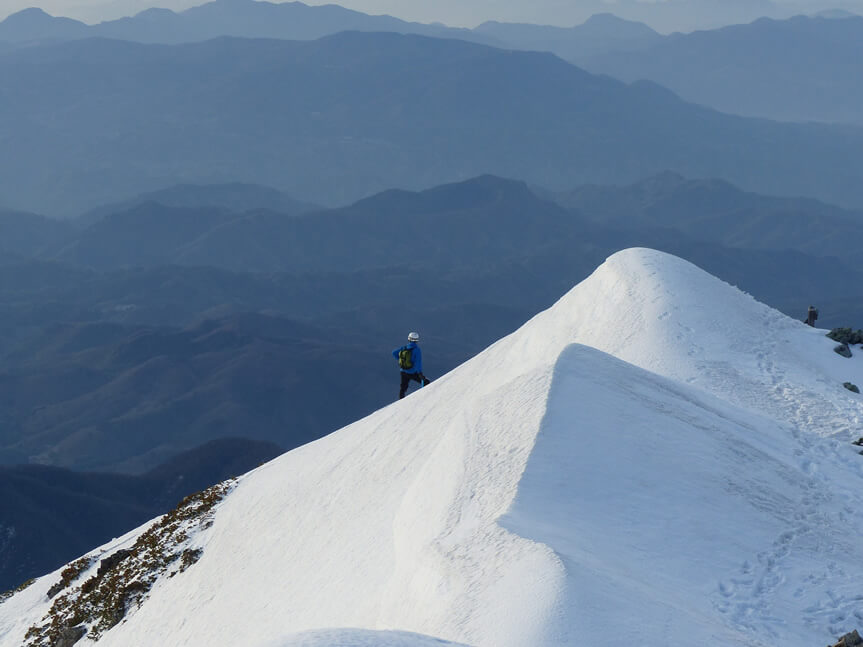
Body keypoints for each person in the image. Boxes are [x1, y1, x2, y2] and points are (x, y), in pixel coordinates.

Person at [393, 331, 430, 399]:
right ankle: (425, 398)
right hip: (412, 372)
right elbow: (418, 363)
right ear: (417, 340)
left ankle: (400, 402)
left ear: (409, 339)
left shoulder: (404, 348)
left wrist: (401, 360)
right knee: (426, 382)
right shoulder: (417, 350)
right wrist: (420, 373)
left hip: (403, 371)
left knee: (403, 388)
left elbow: (394, 353)